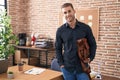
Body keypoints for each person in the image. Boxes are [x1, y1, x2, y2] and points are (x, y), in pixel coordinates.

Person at [55, 3, 97, 80]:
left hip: (82, 68)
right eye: (65, 12)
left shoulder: (85, 28)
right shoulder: (60, 31)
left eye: (69, 11)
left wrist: (91, 57)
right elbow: (58, 48)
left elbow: (93, 44)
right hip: (67, 69)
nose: (67, 14)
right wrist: (61, 64)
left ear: (74, 11)